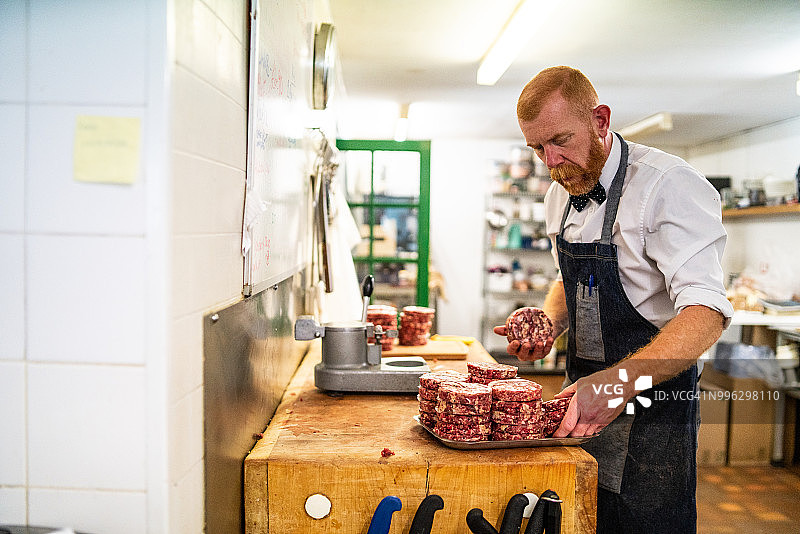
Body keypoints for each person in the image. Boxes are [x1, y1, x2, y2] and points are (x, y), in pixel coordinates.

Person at [493, 66, 733, 533]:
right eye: (538, 148)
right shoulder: (557, 195)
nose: (551, 160)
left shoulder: (669, 186)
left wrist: (618, 383)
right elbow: (575, 280)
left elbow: (707, 312)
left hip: (652, 411)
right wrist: (548, 320)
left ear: (600, 120)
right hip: (579, 403)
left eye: (560, 140)